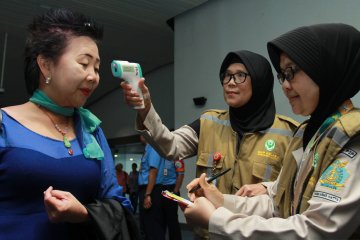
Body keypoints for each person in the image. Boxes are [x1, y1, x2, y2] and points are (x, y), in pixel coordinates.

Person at [184, 23, 360, 239]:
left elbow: (314, 230)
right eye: (282, 75)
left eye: (292, 72)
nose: (285, 85)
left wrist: (216, 220)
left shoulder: (351, 139)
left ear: (326, 70)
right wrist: (219, 199)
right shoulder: (310, 133)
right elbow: (277, 202)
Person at [0, 8, 138, 240]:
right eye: (84, 64)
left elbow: (118, 203)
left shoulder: (92, 131)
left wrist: (85, 214)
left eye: (96, 67)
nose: (94, 76)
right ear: (46, 65)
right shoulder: (4, 124)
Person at [138, 135, 166, 240]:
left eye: (143, 132)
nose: (141, 135)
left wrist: (148, 194)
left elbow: (153, 172)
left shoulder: (154, 147)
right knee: (145, 225)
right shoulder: (147, 148)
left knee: (153, 226)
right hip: (146, 189)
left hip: (151, 190)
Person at [161, 159, 185, 240]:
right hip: (160, 189)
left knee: (172, 220)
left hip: (171, 189)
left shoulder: (177, 157)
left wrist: (175, 191)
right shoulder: (160, 156)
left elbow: (181, 174)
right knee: (161, 219)